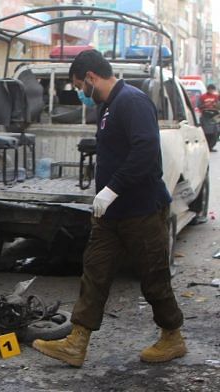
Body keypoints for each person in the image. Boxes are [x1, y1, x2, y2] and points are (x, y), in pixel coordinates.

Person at [32, 50, 185, 367]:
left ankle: (172, 337)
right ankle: (77, 342)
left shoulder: (131, 101)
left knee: (153, 276)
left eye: (78, 85)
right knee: (94, 273)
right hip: (111, 213)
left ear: (90, 77)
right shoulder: (107, 106)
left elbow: (145, 151)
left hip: (141, 208)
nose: (79, 93)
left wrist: (112, 189)